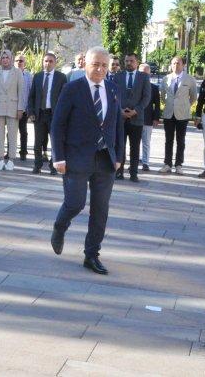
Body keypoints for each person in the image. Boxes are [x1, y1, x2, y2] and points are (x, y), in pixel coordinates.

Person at [50, 46, 125, 276]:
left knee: (100, 209)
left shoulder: (112, 88)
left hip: (105, 159)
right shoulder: (72, 88)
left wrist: (119, 156)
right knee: (75, 203)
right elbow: (58, 125)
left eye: (105, 65)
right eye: (96, 64)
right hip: (76, 158)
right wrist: (58, 157)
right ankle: (59, 227)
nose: (101, 69)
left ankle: (91, 254)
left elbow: (118, 124)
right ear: (85, 64)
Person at [27, 52, 67, 175]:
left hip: (54, 114)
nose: (47, 63)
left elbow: (64, 98)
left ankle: (53, 166)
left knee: (55, 141)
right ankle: (37, 165)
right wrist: (31, 111)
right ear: (42, 62)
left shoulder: (61, 77)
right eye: (45, 61)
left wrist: (62, 115)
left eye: (50, 61)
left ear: (55, 63)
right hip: (40, 114)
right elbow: (32, 96)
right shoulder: (38, 76)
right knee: (37, 142)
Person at [114, 53, 151, 183]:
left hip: (137, 118)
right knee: (120, 146)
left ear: (137, 62)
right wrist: (120, 110)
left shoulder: (144, 77)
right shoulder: (117, 76)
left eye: (131, 61)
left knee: (135, 147)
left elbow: (146, 97)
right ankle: (119, 172)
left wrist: (136, 111)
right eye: (127, 61)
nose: (129, 63)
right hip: (121, 117)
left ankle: (133, 173)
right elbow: (113, 95)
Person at [0, 50, 26, 171]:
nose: (5, 59)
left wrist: (20, 108)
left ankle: (11, 159)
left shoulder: (18, 72)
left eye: (7, 57)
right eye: (3, 57)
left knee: (13, 134)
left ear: (11, 59)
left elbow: (21, 92)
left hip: (12, 108)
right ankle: (0, 159)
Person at [160, 56, 197, 175]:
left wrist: (185, 105)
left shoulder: (190, 79)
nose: (176, 65)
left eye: (178, 63)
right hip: (169, 113)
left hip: (183, 114)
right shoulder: (166, 78)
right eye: (173, 63)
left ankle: (179, 165)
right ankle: (167, 164)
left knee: (181, 140)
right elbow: (162, 96)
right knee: (168, 140)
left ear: (183, 65)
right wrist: (169, 105)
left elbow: (193, 97)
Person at [139, 63, 161, 172]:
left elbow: (157, 104)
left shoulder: (154, 88)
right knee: (134, 142)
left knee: (146, 142)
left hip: (148, 119)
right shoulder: (134, 86)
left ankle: (145, 163)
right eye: (142, 73)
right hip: (134, 118)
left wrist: (156, 118)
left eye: (146, 73)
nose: (144, 75)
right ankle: (135, 160)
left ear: (150, 75)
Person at [14, 54, 32, 161]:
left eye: (21, 60)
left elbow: (30, 92)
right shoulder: (10, 74)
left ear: (24, 63)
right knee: (11, 132)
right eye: (17, 60)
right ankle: (10, 152)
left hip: (24, 109)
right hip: (11, 108)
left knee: (23, 131)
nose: (19, 62)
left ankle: (23, 152)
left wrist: (29, 109)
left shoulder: (29, 76)